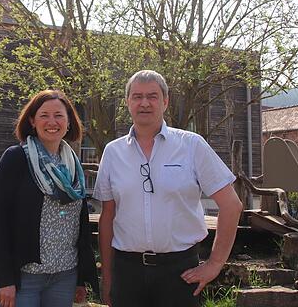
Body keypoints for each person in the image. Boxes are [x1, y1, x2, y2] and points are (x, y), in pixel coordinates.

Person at [94, 70, 243, 307]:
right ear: (127, 102)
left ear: (165, 101)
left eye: (152, 96)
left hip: (180, 271)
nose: (144, 103)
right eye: (137, 96)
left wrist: (215, 264)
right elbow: (108, 217)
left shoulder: (191, 145)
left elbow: (232, 205)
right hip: (127, 272)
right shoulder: (113, 153)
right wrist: (108, 277)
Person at [0, 90, 99, 307]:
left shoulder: (72, 165)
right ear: (32, 120)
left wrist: (80, 279)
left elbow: (79, 226)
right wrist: (6, 280)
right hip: (23, 277)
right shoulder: (16, 159)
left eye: (59, 115)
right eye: (44, 115)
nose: (52, 122)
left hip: (64, 276)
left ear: (68, 122)